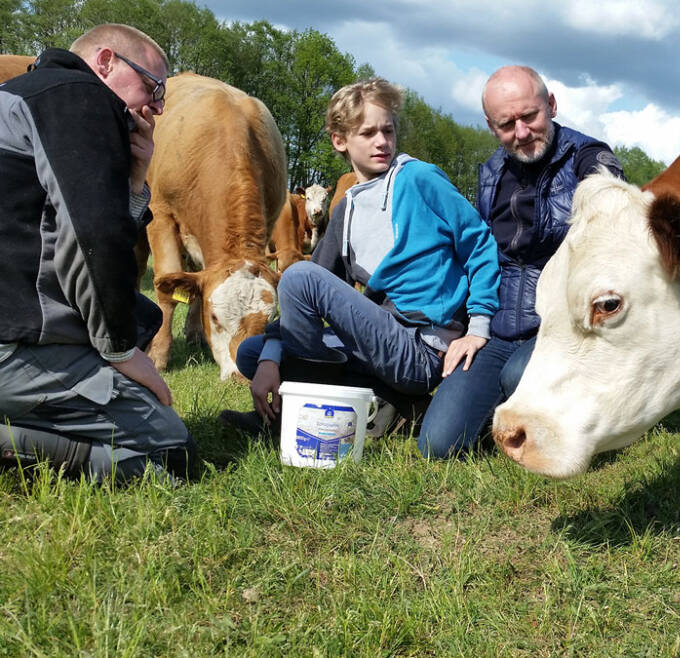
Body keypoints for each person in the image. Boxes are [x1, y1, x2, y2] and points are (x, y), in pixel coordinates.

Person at [219, 77, 500, 437]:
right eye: (368, 133)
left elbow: (480, 243)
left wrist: (478, 328)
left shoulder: (418, 178)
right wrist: (273, 355)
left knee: (298, 277)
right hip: (382, 341)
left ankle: (286, 419)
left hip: (422, 347)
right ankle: (392, 406)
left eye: (388, 130)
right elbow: (309, 293)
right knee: (253, 352)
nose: (382, 141)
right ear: (340, 140)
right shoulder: (347, 207)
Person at [0, 24, 199, 483]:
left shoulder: (18, 95)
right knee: (171, 453)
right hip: (15, 345)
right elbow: (93, 233)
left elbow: (63, 217)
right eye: (154, 87)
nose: (159, 107)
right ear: (106, 62)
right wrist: (120, 349)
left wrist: (134, 179)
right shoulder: (78, 95)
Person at [417, 66, 625, 458]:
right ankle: (511, 404)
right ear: (491, 127)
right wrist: (468, 327)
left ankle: (601, 406)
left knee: (517, 376)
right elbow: (479, 255)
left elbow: (610, 244)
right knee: (437, 446)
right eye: (507, 124)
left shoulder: (591, 160)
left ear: (551, 104)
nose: (522, 132)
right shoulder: (491, 172)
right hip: (498, 329)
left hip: (566, 326)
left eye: (530, 116)